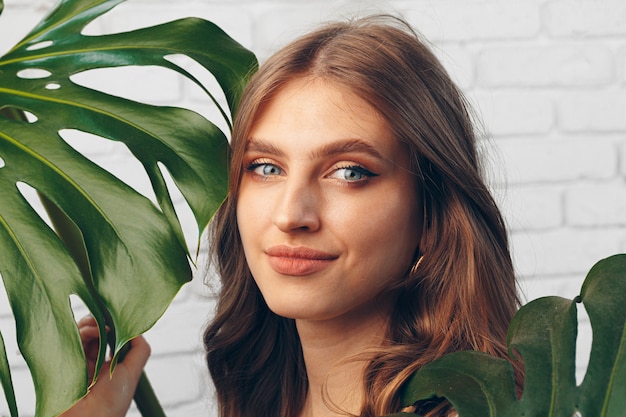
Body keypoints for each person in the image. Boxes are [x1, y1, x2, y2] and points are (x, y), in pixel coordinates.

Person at [63, 14, 522, 417]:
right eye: (265, 167)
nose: (290, 214)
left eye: (349, 172)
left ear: (432, 214)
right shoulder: (264, 397)